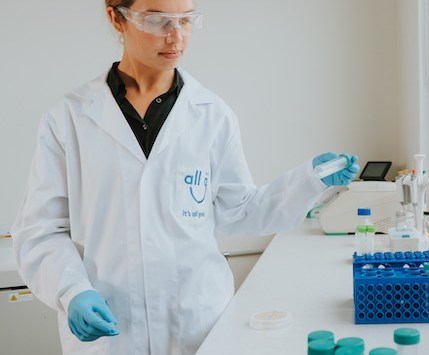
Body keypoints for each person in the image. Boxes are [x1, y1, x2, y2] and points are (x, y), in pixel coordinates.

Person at [10, 0, 360, 354]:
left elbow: (239, 210)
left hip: (196, 324)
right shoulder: (69, 117)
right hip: (112, 329)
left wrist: (309, 180)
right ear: (116, 16)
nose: (175, 36)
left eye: (186, 20)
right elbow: (40, 231)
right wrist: (72, 292)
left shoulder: (212, 115)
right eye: (158, 20)